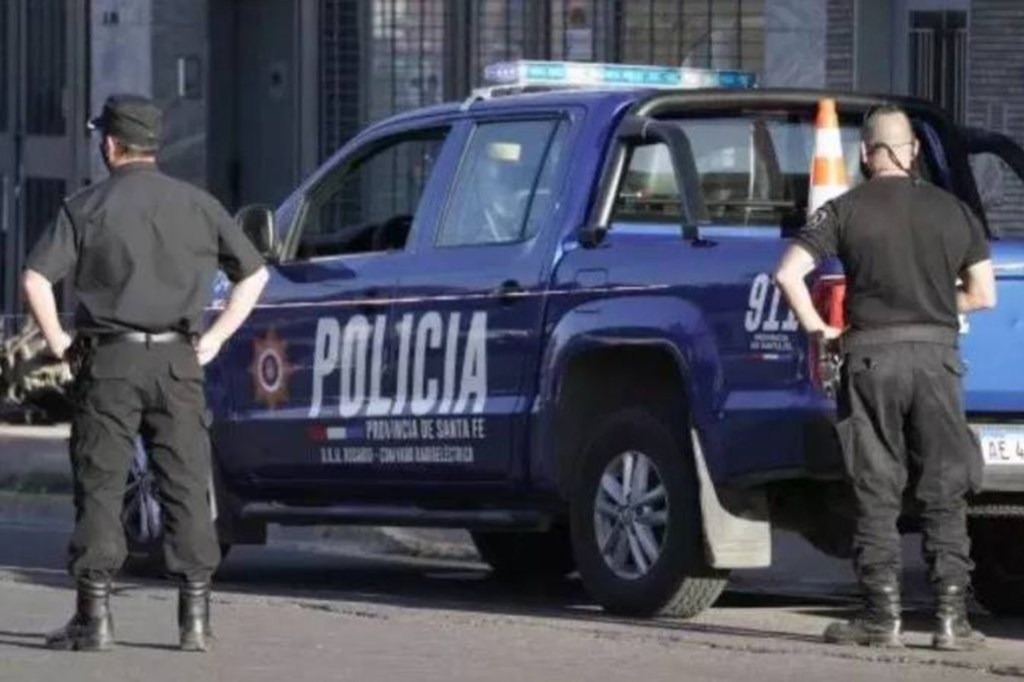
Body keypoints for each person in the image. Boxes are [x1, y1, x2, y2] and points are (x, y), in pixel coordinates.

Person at [21, 94, 269, 652]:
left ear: (110, 144)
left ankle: (95, 617)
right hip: (179, 360)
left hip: (108, 360)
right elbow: (253, 276)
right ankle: (195, 619)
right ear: (153, 145)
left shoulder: (84, 206)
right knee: (184, 480)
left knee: (102, 482)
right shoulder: (199, 205)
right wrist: (214, 338)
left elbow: (35, 278)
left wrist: (62, 344)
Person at [774, 105, 996, 651]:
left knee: (877, 488)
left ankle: (880, 617)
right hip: (937, 359)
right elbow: (984, 295)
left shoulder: (845, 210)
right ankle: (950, 620)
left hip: (871, 358)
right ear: (913, 150)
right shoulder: (955, 211)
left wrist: (820, 327)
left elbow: (787, 273)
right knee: (945, 488)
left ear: (866, 154)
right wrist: (943, 307)